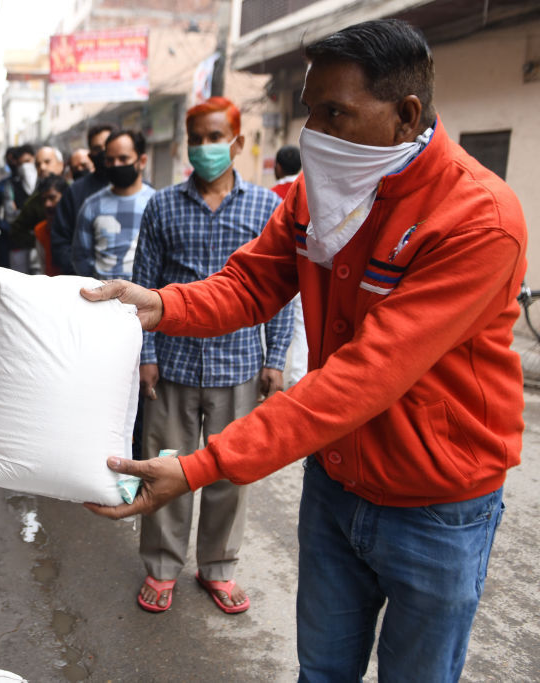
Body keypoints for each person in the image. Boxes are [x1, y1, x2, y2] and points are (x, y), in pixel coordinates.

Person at [81, 19, 526, 681]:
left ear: (405, 115)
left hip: (435, 506)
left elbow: (364, 376)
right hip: (337, 485)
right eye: (309, 112)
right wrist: (162, 305)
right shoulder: (324, 192)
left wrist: (204, 465)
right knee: (322, 667)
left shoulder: (477, 218)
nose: (312, 133)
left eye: (335, 113)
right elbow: (252, 282)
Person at [131, 98, 292, 615]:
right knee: (166, 469)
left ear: (238, 143)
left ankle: (218, 567)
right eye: (196, 138)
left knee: (231, 473)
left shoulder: (267, 207)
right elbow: (145, 286)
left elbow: (282, 290)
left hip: (239, 364)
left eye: (215, 136)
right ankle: (161, 567)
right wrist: (146, 354)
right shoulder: (162, 207)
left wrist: (276, 358)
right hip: (173, 366)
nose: (205, 148)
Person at [71, 130, 155, 280]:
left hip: (147, 299)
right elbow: (81, 257)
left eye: (123, 159)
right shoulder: (92, 206)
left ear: (141, 161)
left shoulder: (156, 204)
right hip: (101, 298)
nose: (116, 165)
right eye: (110, 160)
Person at [49, 123, 114, 274]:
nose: (103, 152)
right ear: (91, 154)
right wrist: (83, 273)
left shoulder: (139, 192)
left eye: (107, 146)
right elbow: (60, 241)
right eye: (97, 148)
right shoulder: (75, 192)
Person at [271, 144, 309, 387]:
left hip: (280, 267)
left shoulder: (273, 193)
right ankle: (298, 379)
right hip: (306, 266)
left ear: (278, 167)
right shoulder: (307, 191)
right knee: (301, 324)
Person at [8, 145, 64, 273]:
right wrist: (39, 238)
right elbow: (17, 229)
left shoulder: (74, 191)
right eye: (38, 165)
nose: (42, 167)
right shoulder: (35, 201)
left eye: (47, 162)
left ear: (60, 165)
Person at [0, 145, 34, 267]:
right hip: (10, 240)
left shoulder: (37, 184)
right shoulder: (4, 185)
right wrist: (5, 227)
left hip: (32, 240)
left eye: (15, 160)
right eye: (9, 161)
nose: (12, 163)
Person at [33, 174, 70, 277]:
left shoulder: (78, 226)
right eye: (44, 200)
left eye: (52, 198)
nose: (47, 204)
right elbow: (41, 267)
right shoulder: (40, 230)